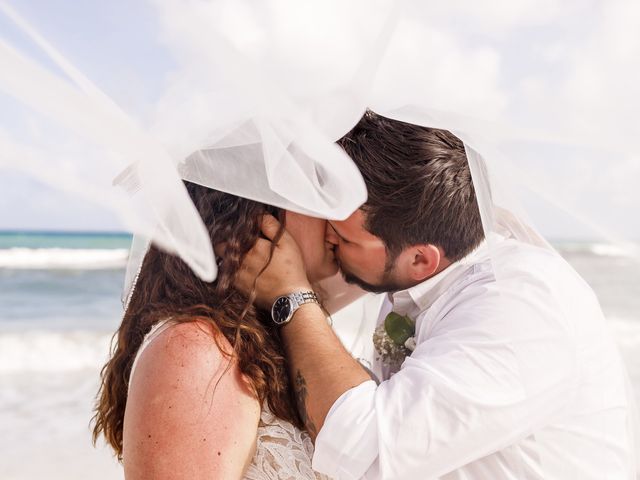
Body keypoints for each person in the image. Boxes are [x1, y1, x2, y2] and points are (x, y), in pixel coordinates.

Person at [236, 110, 635, 479]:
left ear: (421, 260)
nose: (327, 237)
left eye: (341, 237)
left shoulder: (520, 305)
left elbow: (362, 449)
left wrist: (292, 294)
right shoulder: (423, 273)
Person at [92, 181, 336, 479]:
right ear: (259, 216)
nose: (338, 214)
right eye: (319, 194)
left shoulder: (273, 331)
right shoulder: (194, 350)